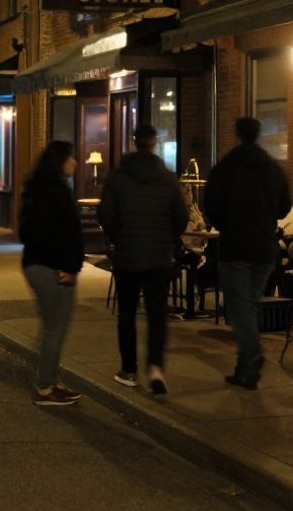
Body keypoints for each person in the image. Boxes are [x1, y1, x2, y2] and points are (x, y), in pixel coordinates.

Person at [99, 125, 188, 396]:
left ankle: (128, 369)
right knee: (157, 315)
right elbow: (181, 217)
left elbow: (105, 215)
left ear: (134, 142)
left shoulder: (118, 177)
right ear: (154, 143)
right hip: (160, 257)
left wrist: (116, 238)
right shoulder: (168, 178)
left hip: (127, 256)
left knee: (126, 314)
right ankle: (156, 367)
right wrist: (168, 241)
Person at [205, 117, 291, 390]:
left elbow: (212, 206)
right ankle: (245, 370)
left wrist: (226, 224)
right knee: (250, 304)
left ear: (238, 135)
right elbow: (284, 208)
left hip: (235, 247)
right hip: (264, 247)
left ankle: (252, 356)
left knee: (239, 307)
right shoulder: (273, 169)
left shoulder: (225, 168)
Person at [18, 141, 86, 406]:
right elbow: (58, 234)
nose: (75, 162)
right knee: (55, 327)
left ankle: (51, 379)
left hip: (41, 264)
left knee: (53, 326)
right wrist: (68, 267)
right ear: (60, 161)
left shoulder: (38, 188)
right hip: (52, 268)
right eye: (71, 158)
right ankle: (45, 388)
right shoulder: (54, 192)